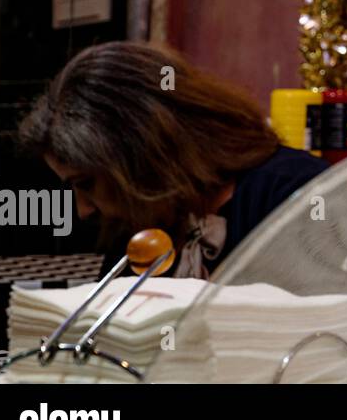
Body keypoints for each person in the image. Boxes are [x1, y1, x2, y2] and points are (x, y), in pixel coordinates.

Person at [18, 42, 327, 278]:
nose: (83, 210)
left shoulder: (292, 193)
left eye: (86, 184)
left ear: (144, 154)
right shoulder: (142, 223)